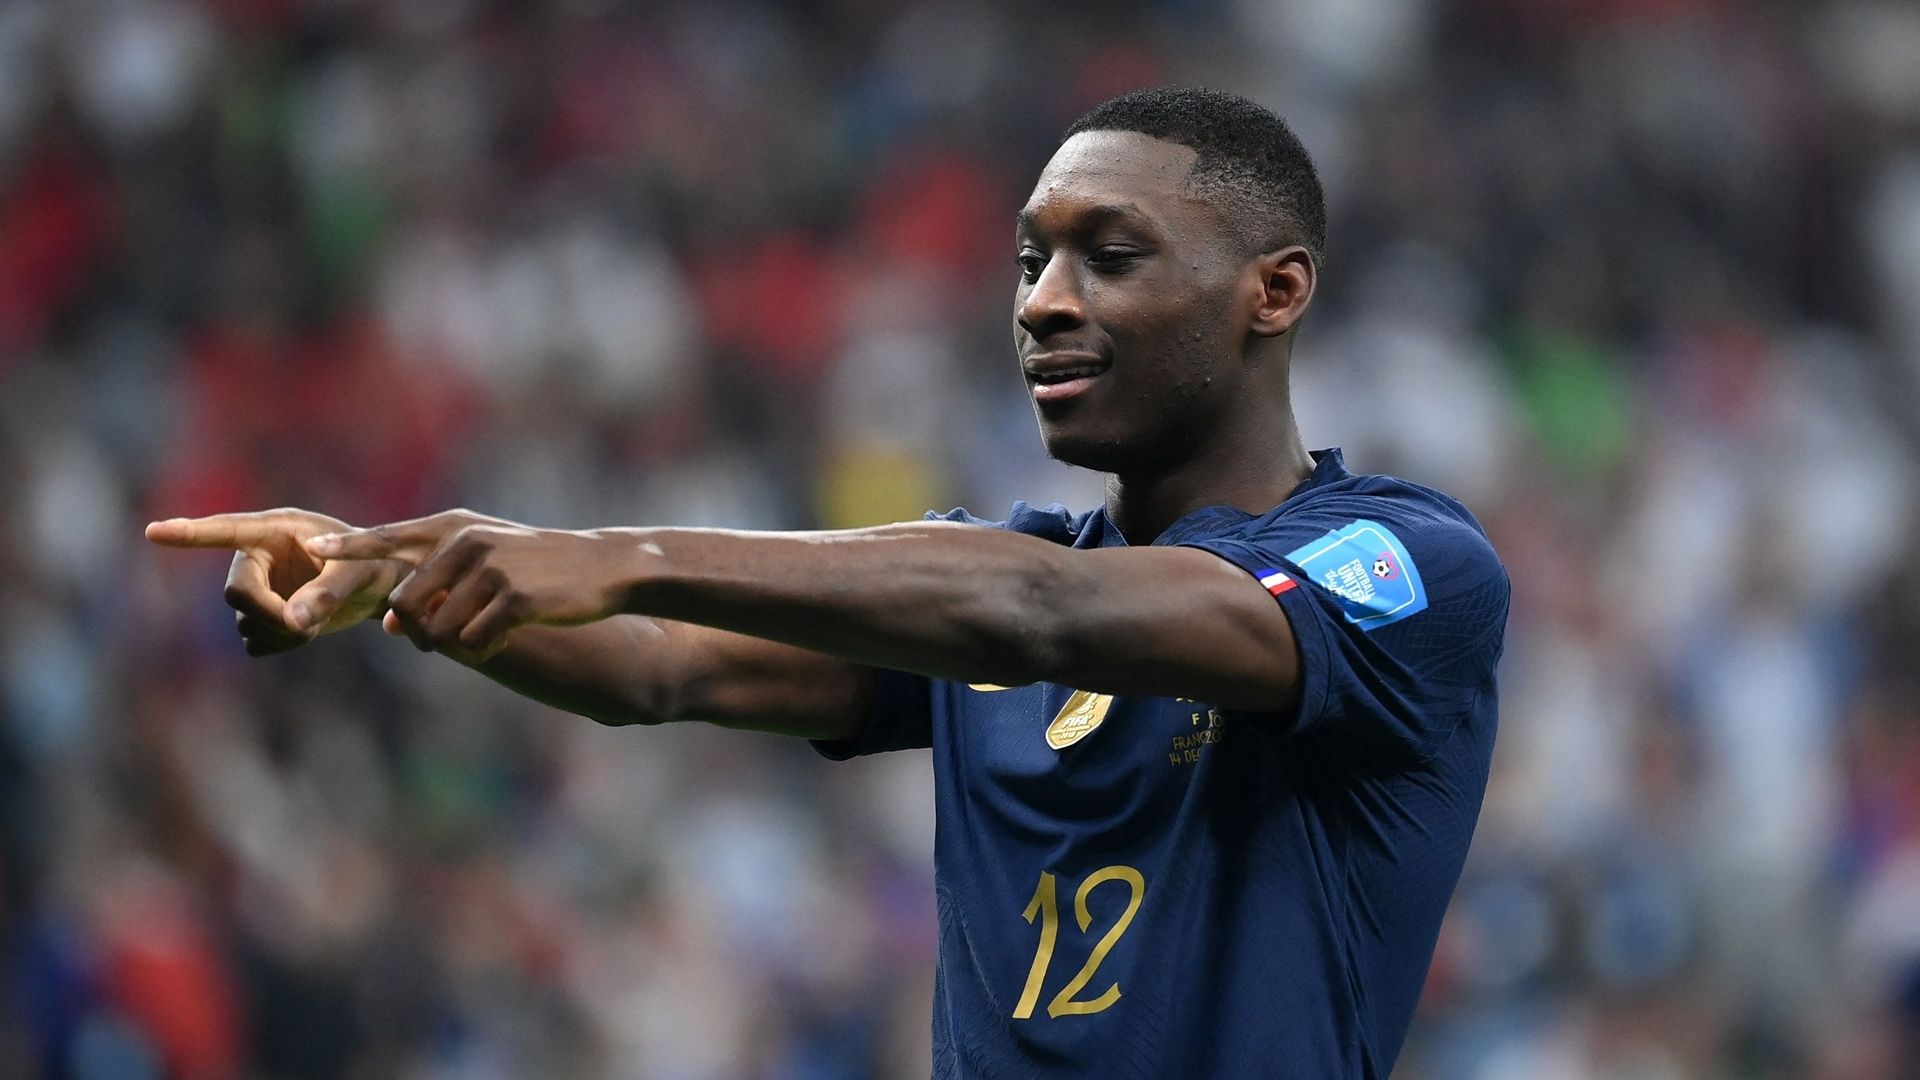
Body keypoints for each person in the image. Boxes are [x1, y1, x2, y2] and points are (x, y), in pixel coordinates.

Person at [148, 87, 1509, 1079]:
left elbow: (1048, 616)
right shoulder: (977, 588)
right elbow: (661, 667)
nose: (1041, 300)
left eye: (1110, 256)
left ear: (1275, 291)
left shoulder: (1407, 569)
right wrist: (394, 576)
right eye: (1030, 259)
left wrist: (625, 555)